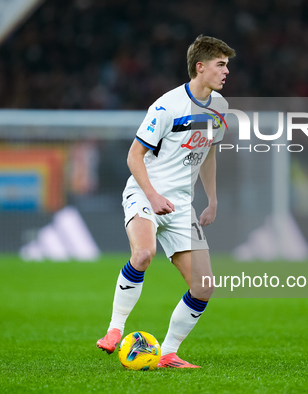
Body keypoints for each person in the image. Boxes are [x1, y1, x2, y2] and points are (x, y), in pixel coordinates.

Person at [96, 35, 235, 368]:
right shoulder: (166, 106)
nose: (226, 71)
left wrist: (212, 199)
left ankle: (168, 352)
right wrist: (154, 195)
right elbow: (134, 156)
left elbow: (208, 153)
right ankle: (115, 330)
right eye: (220, 64)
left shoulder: (221, 108)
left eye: (227, 65)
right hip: (145, 193)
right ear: (200, 67)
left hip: (181, 206)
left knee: (204, 287)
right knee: (143, 254)